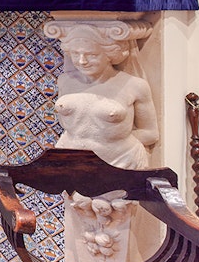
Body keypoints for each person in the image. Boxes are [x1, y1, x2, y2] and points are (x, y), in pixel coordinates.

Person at [55, 32, 158, 170]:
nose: (82, 61)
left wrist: (113, 142)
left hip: (121, 162)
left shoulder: (134, 85)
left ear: (110, 55)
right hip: (71, 162)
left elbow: (150, 133)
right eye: (75, 54)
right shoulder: (65, 81)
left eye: (92, 55)